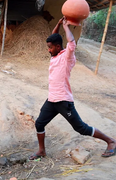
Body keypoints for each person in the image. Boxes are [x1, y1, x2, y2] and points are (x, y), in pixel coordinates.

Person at [29, 17, 116, 160]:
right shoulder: (55, 54)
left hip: (64, 101)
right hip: (52, 100)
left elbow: (71, 42)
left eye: (50, 47)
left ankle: (111, 141)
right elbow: (54, 37)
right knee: (39, 123)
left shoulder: (67, 57)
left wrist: (65, 26)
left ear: (58, 47)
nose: (48, 50)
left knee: (81, 128)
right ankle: (42, 151)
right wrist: (57, 24)